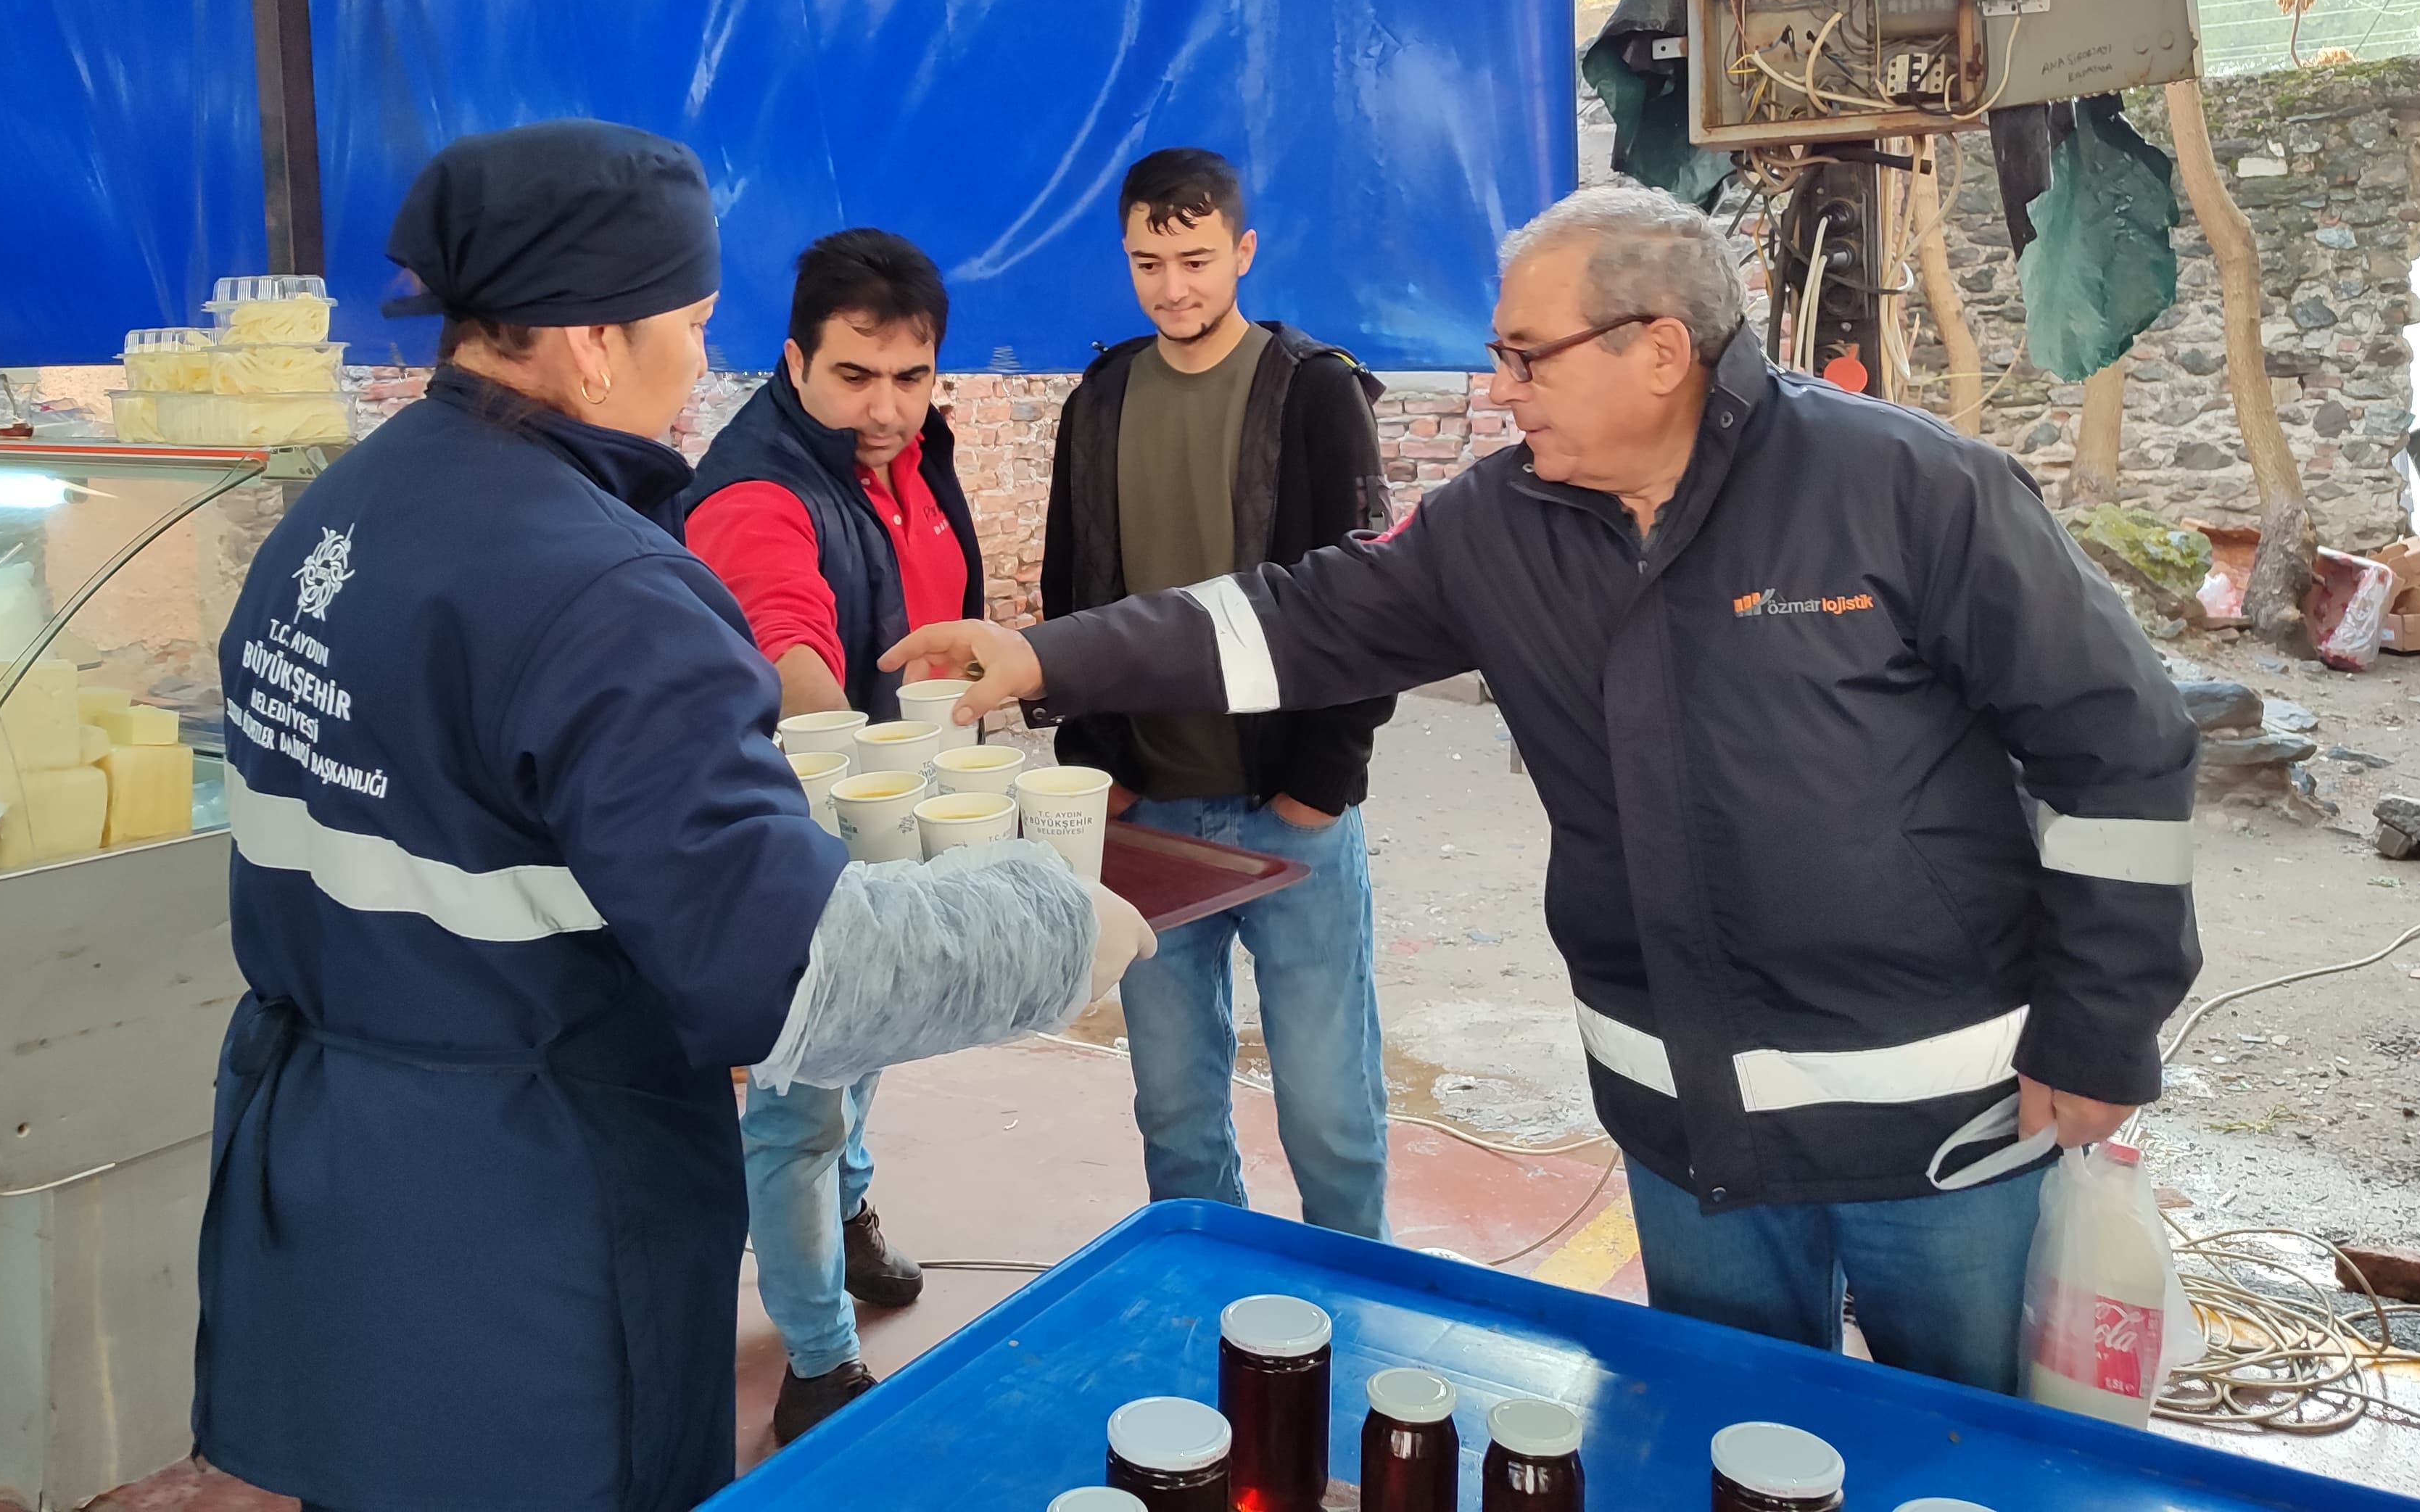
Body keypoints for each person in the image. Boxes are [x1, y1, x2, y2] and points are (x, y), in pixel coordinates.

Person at [892, 181, 2201, 1397]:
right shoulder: (1497, 524)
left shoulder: (1908, 486)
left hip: (1940, 1126)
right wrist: (1045, 656)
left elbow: (2119, 746)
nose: (1501, 388)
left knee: (1967, 1450)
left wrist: (2098, 1029)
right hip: (1685, 1124)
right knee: (1722, 1433)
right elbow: (1290, 622)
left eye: (1527, 355)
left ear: (1660, 348)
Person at [194, 120, 1155, 1512]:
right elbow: (789, 978)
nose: (702, 360)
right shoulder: (609, 597)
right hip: (528, 1215)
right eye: (693, 322)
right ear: (593, 341)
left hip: (332, 1173)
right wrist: (1057, 923)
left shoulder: (333, 518)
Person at [1038, 147, 1395, 1239]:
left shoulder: (1317, 394)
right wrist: (1096, 772)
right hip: (1149, 815)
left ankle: (1358, 1306)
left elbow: (1368, 599)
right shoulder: (1098, 401)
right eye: (1148, 261)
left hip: (1289, 816)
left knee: (1331, 1113)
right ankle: (1211, 1308)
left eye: (1195, 258)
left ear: (1244, 251)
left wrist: (1324, 781)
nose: (1173, 287)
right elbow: (1070, 597)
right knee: (1177, 1110)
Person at [681, 230, 981, 1441]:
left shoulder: (905, 459)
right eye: (855, 377)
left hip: (885, 818)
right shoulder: (758, 486)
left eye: (911, 378)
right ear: (794, 361)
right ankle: (816, 1365)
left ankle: (851, 1220)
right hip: (794, 828)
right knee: (799, 1097)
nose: (888, 407)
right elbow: (786, 637)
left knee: (876, 1041)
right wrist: (861, 748)